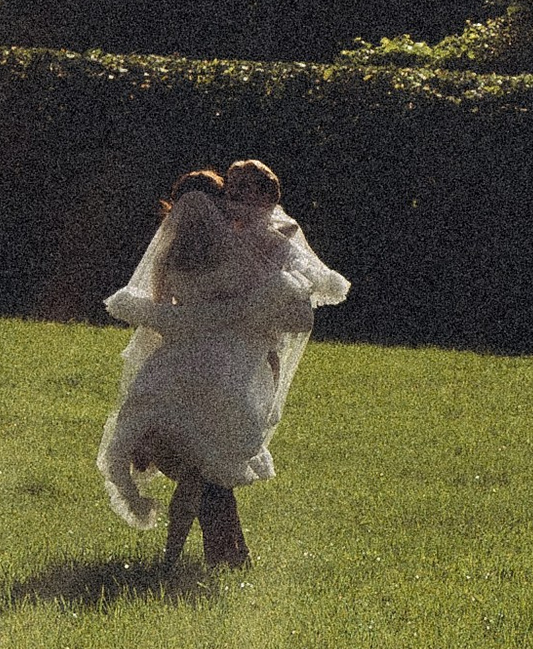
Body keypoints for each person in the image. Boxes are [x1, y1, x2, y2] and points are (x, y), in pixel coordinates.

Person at [97, 158, 348, 562]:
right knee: (207, 470)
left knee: (204, 469)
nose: (233, 200)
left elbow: (165, 315)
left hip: (211, 367)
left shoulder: (247, 245)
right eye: (229, 191)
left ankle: (214, 555)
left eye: (241, 190)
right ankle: (225, 554)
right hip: (213, 367)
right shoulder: (222, 249)